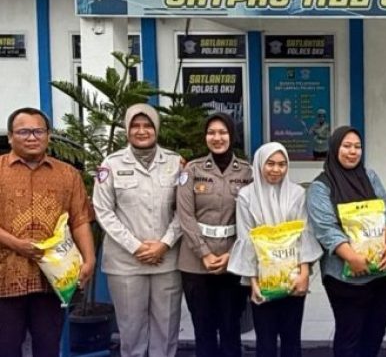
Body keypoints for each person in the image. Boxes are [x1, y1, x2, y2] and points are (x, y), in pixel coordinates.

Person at [0, 107, 95, 357]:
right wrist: (16, 244)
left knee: (48, 348)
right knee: (5, 348)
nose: (32, 137)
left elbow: (80, 220)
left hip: (52, 281)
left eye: (38, 131)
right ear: (10, 137)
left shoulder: (67, 174)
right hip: (4, 279)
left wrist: (89, 259)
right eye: (24, 132)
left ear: (48, 135)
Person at [93, 103, 183, 357]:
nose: (142, 131)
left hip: (166, 261)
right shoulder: (110, 164)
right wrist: (136, 247)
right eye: (135, 126)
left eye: (147, 125)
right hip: (125, 263)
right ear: (127, 130)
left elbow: (184, 209)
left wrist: (164, 243)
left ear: (157, 129)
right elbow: (103, 211)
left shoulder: (175, 163)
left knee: (167, 329)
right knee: (131, 332)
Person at [306, 126, 386, 357]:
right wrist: (353, 258)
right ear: (335, 148)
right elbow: (326, 229)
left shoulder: (370, 176)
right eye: (346, 146)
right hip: (343, 276)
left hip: (380, 271)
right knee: (350, 335)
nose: (352, 151)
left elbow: (385, 209)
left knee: (375, 331)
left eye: (357, 146)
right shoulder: (320, 187)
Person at [228, 142, 322, 357]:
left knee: (292, 340)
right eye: (270, 164)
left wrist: (304, 274)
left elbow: (304, 234)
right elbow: (246, 240)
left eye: (282, 164)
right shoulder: (246, 196)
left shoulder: (297, 193)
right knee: (265, 342)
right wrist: (253, 283)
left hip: (293, 277)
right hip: (264, 280)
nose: (276, 170)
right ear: (260, 164)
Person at [177, 113, 252, 357]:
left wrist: (232, 254)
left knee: (231, 328)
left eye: (223, 132)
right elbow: (185, 215)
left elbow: (251, 218)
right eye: (211, 133)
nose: (217, 138)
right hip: (196, 262)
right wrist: (204, 253)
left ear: (232, 135)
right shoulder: (192, 169)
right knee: (204, 330)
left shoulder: (247, 172)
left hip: (233, 260)